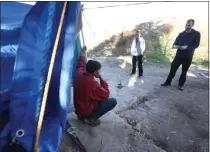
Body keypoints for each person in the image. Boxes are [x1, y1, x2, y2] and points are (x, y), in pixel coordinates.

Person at [73, 46, 117, 126]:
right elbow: (106, 95)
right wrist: (100, 78)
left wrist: (83, 51)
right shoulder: (93, 84)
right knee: (113, 101)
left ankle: (81, 115)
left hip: (78, 108)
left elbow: (80, 64)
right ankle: (91, 118)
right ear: (96, 72)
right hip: (85, 110)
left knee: (94, 97)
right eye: (99, 71)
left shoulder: (78, 74)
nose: (99, 72)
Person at [161, 19, 201, 90]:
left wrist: (187, 47)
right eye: (186, 25)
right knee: (172, 69)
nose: (187, 26)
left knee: (184, 71)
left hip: (188, 56)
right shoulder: (181, 34)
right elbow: (174, 45)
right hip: (178, 56)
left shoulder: (197, 34)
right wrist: (178, 47)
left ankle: (181, 85)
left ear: (192, 25)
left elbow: (196, 45)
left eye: (189, 25)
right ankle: (167, 82)